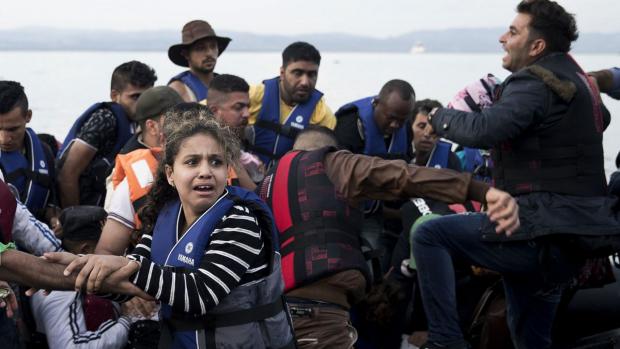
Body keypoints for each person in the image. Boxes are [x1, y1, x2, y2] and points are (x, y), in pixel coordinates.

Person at [412, 1, 617, 348]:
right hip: (571, 237)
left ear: (537, 46)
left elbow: (484, 128)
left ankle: (446, 342)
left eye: (513, 31)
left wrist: (437, 115)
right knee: (530, 338)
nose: (502, 38)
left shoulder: (535, 83)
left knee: (430, 235)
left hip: (538, 231)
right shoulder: (578, 82)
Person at [41, 115, 294, 348]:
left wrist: (120, 265)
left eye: (216, 162)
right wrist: (80, 268)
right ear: (171, 174)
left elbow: (201, 292)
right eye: (192, 162)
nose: (205, 171)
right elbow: (130, 280)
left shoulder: (241, 219)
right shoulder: (166, 218)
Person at [256, 125, 519, 348]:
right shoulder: (334, 162)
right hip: (319, 315)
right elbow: (401, 175)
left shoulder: (265, 185)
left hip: (271, 316)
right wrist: (479, 190)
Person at [31, 206, 137, 349]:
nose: (118, 254)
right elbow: (71, 347)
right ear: (86, 250)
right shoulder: (61, 290)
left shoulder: (80, 274)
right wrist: (126, 321)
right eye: (108, 246)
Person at [57, 61, 157, 208]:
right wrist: (74, 218)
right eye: (135, 97)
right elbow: (67, 174)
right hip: (87, 209)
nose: (142, 104)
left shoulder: (140, 121)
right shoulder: (105, 119)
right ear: (114, 96)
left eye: (146, 96)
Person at [98, 86, 182, 256]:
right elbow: (112, 240)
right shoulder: (126, 174)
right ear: (152, 127)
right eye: (176, 120)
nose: (184, 125)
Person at [246, 41, 336, 168]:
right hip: (248, 174)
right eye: (298, 73)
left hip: (289, 181)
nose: (305, 82)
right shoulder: (255, 95)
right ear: (282, 73)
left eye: (312, 75)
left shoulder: (322, 114)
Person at [0, 81, 60, 227]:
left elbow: (49, 201)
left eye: (12, 129)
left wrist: (54, 219)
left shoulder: (44, 152)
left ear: (28, 116)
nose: (4, 138)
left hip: (38, 236)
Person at [335, 79, 415, 161]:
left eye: (401, 120)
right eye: (390, 118)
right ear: (375, 104)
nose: (394, 124)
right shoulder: (349, 124)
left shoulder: (406, 128)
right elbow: (339, 165)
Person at [206, 74, 264, 186]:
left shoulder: (242, 140)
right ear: (214, 111)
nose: (247, 114)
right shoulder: (204, 148)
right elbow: (255, 198)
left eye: (248, 107)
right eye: (238, 107)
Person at [168, 20, 231, 102]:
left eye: (213, 46)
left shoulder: (226, 85)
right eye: (200, 48)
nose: (209, 53)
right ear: (186, 54)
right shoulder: (178, 90)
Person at [410, 99, 461, 170]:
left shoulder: (451, 161)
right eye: (422, 126)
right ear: (411, 126)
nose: (427, 134)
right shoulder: (398, 153)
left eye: (433, 129)